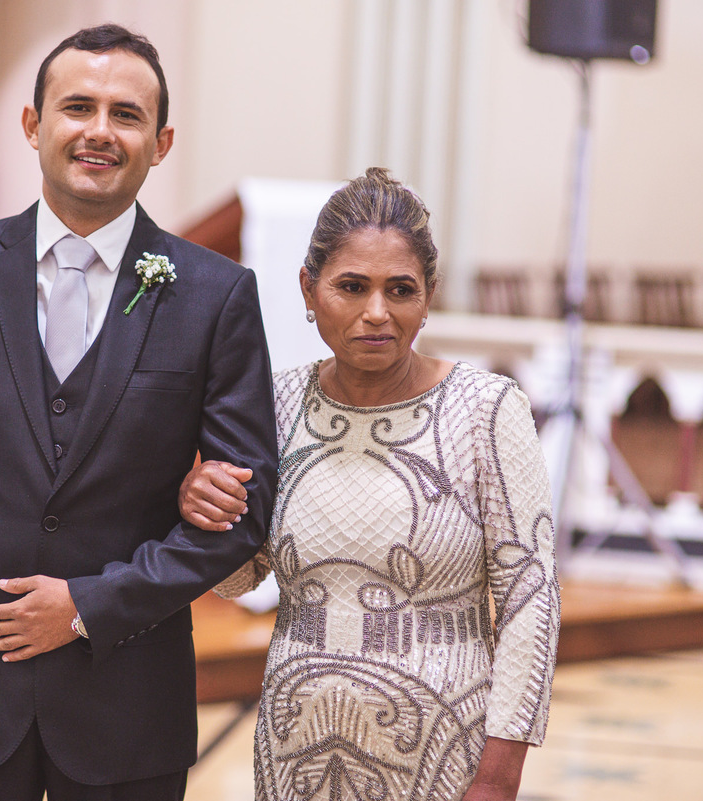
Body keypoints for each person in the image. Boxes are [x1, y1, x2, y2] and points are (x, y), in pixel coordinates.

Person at [0, 24, 278, 801]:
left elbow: (244, 512)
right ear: (33, 125)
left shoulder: (216, 295)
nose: (99, 131)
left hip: (129, 699)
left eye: (126, 114)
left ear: (160, 142)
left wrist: (87, 605)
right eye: (77, 106)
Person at [179, 168, 560, 801]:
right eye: (351, 287)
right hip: (293, 748)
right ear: (308, 288)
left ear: (429, 295)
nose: (376, 313)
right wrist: (200, 509)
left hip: (444, 757)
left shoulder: (487, 411)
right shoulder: (273, 406)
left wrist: (499, 775)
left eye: (400, 290)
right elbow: (239, 578)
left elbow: (530, 599)